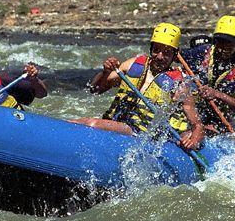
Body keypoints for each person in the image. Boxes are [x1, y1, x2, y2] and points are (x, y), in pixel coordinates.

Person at [71, 23, 205, 150]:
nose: (159, 56)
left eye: (166, 53)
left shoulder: (179, 83)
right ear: (151, 48)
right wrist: (105, 72)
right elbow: (95, 89)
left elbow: (197, 125)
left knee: (92, 124)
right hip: (117, 123)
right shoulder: (132, 64)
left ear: (175, 55)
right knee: (89, 123)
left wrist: (193, 141)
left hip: (141, 134)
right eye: (156, 50)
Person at [179, 15, 235, 134]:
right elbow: (179, 55)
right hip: (202, 109)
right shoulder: (205, 51)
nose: (222, 48)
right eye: (219, 42)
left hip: (228, 119)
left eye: (229, 44)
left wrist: (217, 95)